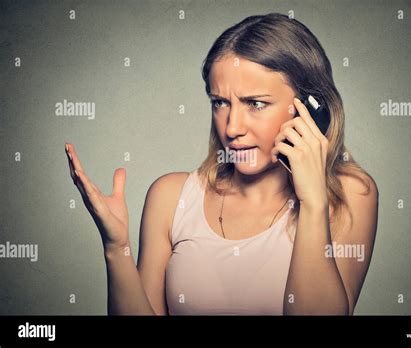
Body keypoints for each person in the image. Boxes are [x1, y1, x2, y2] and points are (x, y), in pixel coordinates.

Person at [65, 13, 378, 315]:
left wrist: (312, 201)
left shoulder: (350, 195)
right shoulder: (172, 196)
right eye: (220, 103)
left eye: (256, 103)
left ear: (311, 109)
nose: (232, 128)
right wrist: (115, 247)